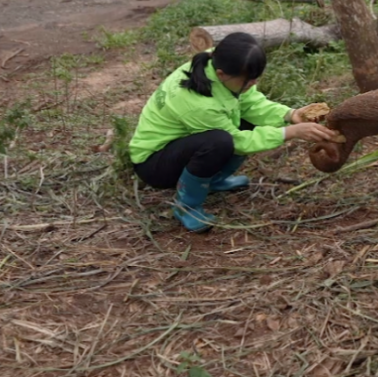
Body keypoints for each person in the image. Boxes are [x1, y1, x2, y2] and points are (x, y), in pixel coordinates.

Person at [128, 32, 339, 233]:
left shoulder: (223, 64)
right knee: (218, 142)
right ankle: (186, 206)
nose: (253, 84)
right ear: (221, 74)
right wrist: (290, 132)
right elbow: (237, 142)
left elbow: (249, 103)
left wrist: (289, 114)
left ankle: (213, 180)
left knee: (239, 123)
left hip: (184, 143)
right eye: (249, 80)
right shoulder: (198, 103)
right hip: (154, 163)